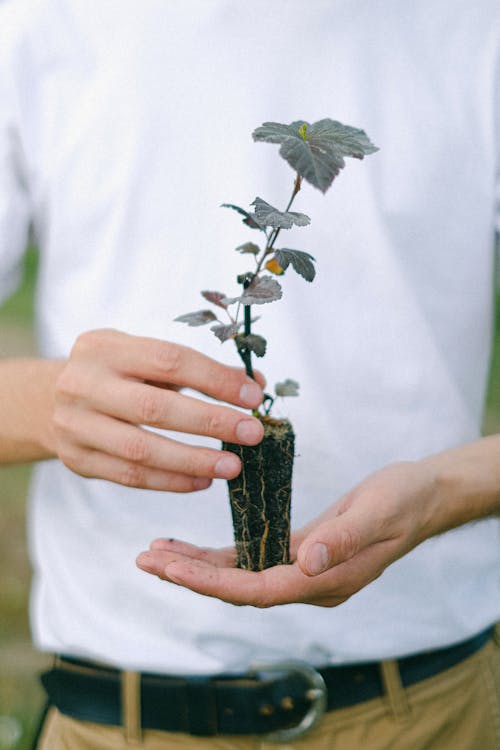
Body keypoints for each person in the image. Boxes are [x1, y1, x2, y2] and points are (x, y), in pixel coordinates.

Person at [1, 1, 499, 748]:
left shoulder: (476, 26)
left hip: (434, 712)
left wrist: (447, 492)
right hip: (118, 720)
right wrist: (44, 406)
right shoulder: (34, 23)